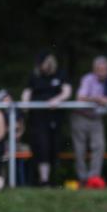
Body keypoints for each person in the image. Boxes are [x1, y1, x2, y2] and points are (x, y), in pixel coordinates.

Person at [72, 56, 107, 188]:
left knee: (99, 146)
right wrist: (96, 99)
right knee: (80, 149)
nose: (102, 73)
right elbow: (80, 98)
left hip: (96, 119)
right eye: (99, 70)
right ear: (94, 70)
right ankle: (82, 179)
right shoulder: (88, 79)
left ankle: (93, 179)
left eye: (104, 70)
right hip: (81, 117)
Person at [21, 53, 72, 187]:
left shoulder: (60, 74)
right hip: (38, 118)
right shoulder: (35, 76)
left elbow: (67, 91)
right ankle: (44, 180)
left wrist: (57, 100)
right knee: (42, 147)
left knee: (54, 148)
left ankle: (53, 179)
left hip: (55, 118)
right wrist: (25, 104)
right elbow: (27, 92)